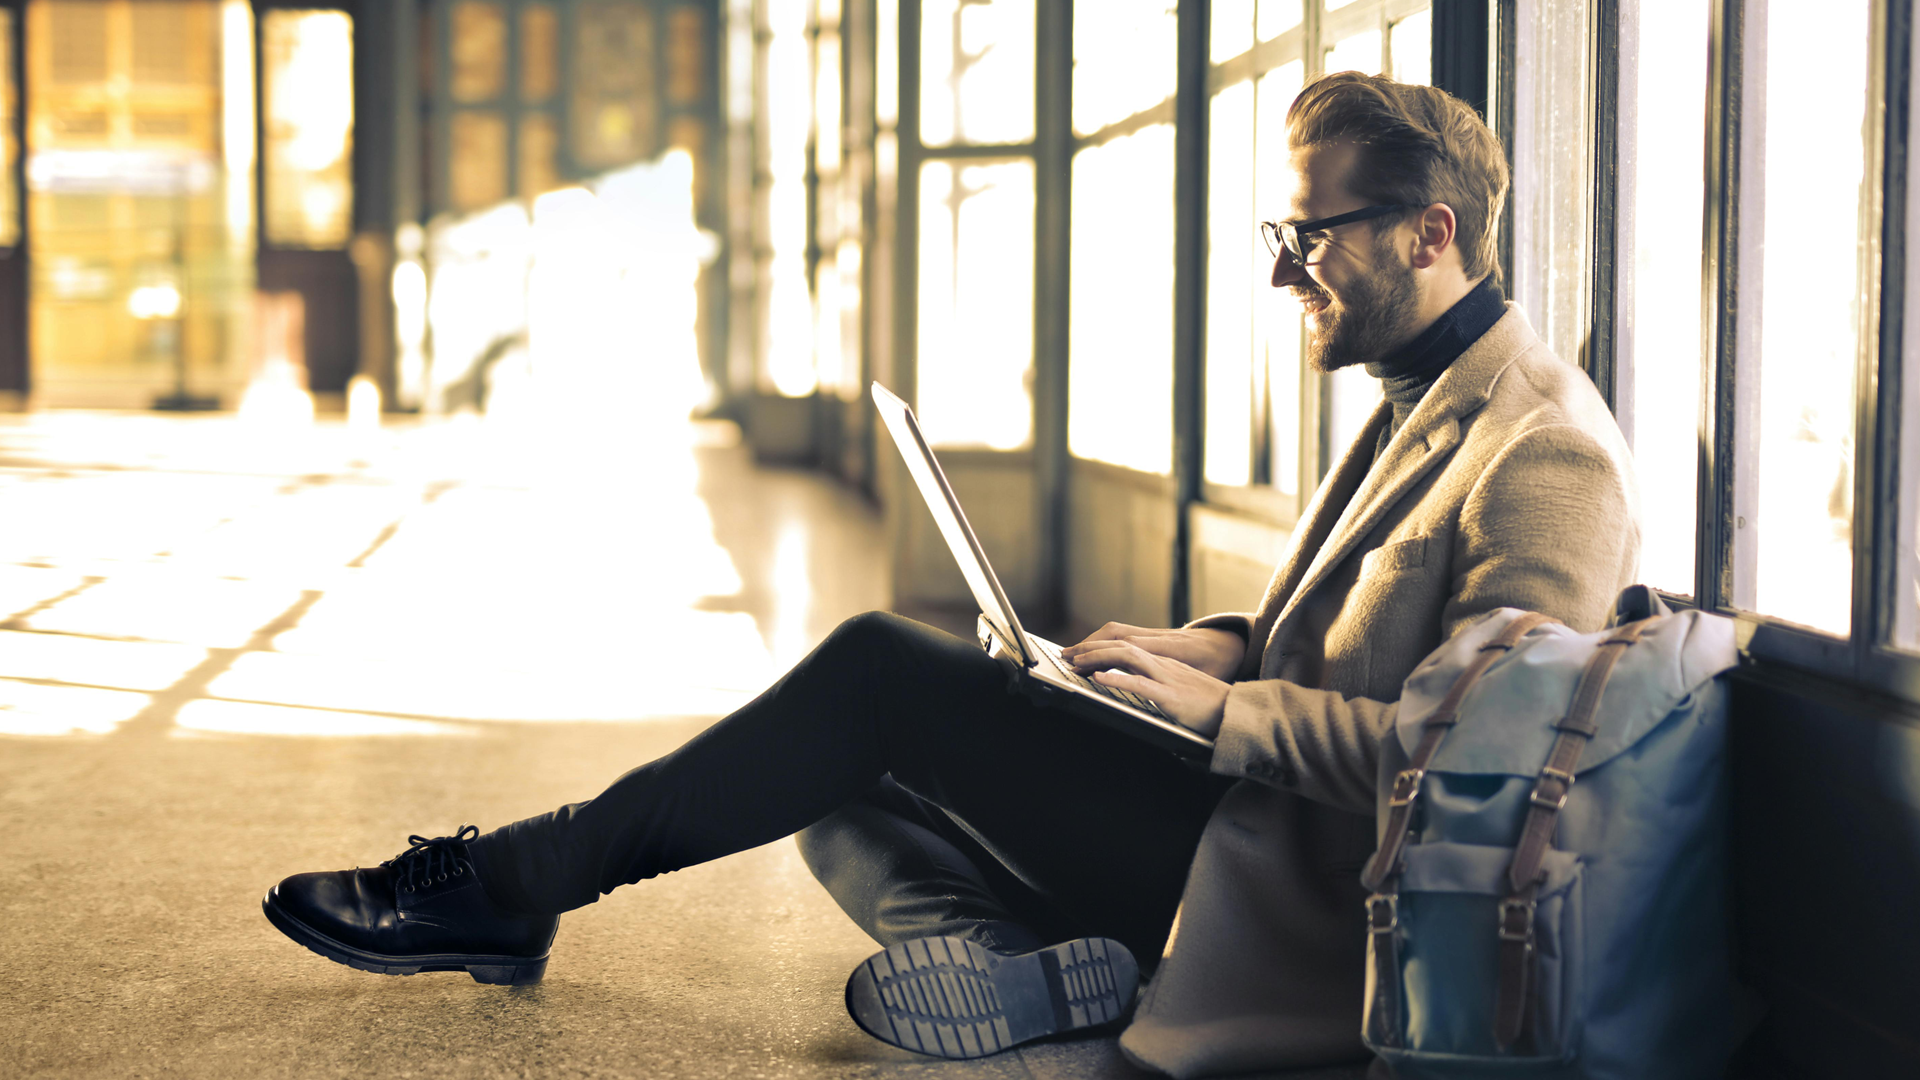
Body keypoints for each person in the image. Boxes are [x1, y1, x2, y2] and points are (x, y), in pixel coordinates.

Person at [261, 72, 1639, 1078]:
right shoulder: (1428, 391)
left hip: (1291, 886)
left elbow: (1482, 772)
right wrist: (1212, 647)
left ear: (1432, 231)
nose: (1287, 274)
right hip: (1231, 813)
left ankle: (511, 883)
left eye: (1310, 237)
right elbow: (1353, 635)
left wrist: (1218, 716)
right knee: (822, 793)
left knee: (875, 671)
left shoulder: (1542, 453)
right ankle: (1018, 969)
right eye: (1281, 241)